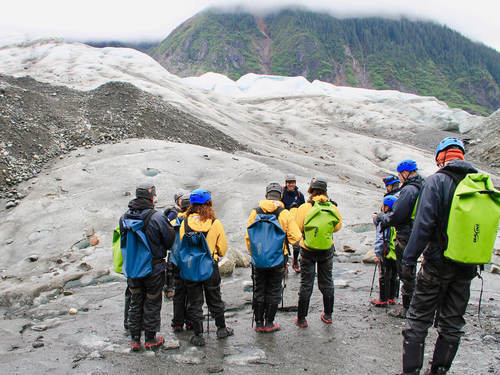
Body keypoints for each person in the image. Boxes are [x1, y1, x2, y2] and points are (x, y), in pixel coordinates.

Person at [397, 138, 482, 375]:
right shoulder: (478, 184)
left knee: (418, 320)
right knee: (452, 323)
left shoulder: (436, 181)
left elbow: (423, 225)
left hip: (436, 263)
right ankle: (439, 371)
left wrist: (409, 258)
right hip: (466, 265)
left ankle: (411, 372)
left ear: (441, 157)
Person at [119, 183, 175, 351]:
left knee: (135, 301)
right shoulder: (157, 217)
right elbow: (169, 240)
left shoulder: (124, 217)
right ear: (152, 197)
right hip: (154, 268)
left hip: (134, 268)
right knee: (152, 301)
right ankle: (150, 339)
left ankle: (135, 339)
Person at [179, 189, 233, 346]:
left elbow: (183, 243)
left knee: (195, 301)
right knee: (215, 298)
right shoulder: (215, 223)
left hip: (191, 267)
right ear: (209, 204)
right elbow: (222, 248)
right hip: (210, 266)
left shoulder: (185, 223)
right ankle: (221, 329)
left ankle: (198, 335)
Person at [245, 182, 302, 332]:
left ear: (266, 195)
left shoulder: (255, 212)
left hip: (259, 258)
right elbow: (295, 238)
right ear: (280, 196)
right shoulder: (283, 213)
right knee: (274, 289)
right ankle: (269, 323)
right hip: (278, 257)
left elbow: (248, 237)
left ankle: (258, 323)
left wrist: (254, 253)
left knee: (259, 288)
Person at [374, 159, 424, 318]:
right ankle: (410, 305)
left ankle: (408, 309)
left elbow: (397, 215)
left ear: (406, 172)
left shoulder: (409, 190)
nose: (400, 178)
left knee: (405, 271)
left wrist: (382, 217)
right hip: (417, 232)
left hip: (406, 234)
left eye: (400, 174)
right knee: (408, 270)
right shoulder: (422, 186)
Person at [294, 177, 342, 327]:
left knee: (306, 284)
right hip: (326, 250)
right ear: (325, 191)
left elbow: (298, 227)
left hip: (307, 250)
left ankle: (301, 319)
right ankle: (328, 315)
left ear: (310, 191)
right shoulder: (332, 207)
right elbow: (337, 227)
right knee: (327, 282)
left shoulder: (304, 208)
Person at [168, 194, 193, 331]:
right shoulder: (194, 222)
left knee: (179, 292)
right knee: (191, 292)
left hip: (176, 262)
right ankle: (190, 321)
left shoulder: (173, 223)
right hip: (191, 262)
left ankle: (177, 322)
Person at [371, 195, 399, 307]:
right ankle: (391, 297)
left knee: (383, 275)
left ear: (386, 207)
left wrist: (377, 253)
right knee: (393, 274)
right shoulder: (397, 218)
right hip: (395, 252)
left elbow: (380, 238)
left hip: (385, 252)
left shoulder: (383, 220)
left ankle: (383, 299)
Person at [281, 174, 305, 272]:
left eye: (292, 182)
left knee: (297, 245)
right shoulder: (282, 194)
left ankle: (295, 261)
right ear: (286, 183)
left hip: (295, 224)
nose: (291, 184)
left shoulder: (299, 195)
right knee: (283, 245)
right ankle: (284, 263)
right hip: (284, 223)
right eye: (289, 182)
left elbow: (304, 209)